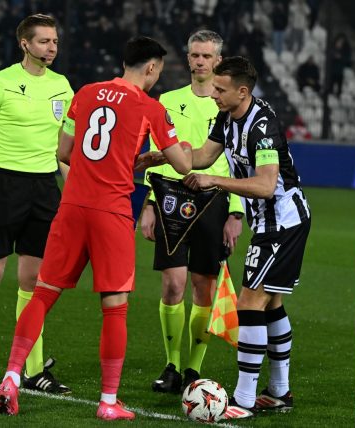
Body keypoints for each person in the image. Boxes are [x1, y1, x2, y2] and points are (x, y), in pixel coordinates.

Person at [0, 36, 193, 420]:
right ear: (151, 68)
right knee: (114, 308)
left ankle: (11, 377)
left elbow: (64, 152)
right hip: (112, 214)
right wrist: (172, 148)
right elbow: (183, 166)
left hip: (71, 208)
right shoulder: (150, 108)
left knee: (42, 295)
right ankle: (107, 401)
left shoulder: (85, 93)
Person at [183, 56, 311, 419]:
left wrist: (216, 181)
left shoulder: (262, 126)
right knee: (270, 304)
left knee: (249, 303)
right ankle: (280, 391)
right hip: (273, 224)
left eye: (220, 90)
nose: (213, 95)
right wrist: (161, 155)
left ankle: (242, 399)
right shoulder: (226, 118)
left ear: (243, 91)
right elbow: (202, 157)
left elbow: (266, 185)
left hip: (282, 223)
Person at [0, 13, 74, 394]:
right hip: (3, 184)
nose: (52, 47)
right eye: (44, 41)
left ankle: (34, 368)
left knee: (35, 281)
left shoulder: (63, 87)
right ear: (25, 44)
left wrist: (72, 193)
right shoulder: (2, 82)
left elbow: (64, 151)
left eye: (55, 41)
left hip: (44, 189)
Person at [141, 30, 244, 395]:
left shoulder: (228, 106)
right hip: (170, 199)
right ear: (187, 59)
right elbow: (157, 153)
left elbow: (234, 164)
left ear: (218, 61)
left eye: (206, 56)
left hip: (214, 200)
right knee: (172, 285)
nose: (199, 61)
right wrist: (149, 204)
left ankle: (192, 370)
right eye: (194, 55)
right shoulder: (166, 101)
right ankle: (171, 364)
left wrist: (236, 212)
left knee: (204, 288)